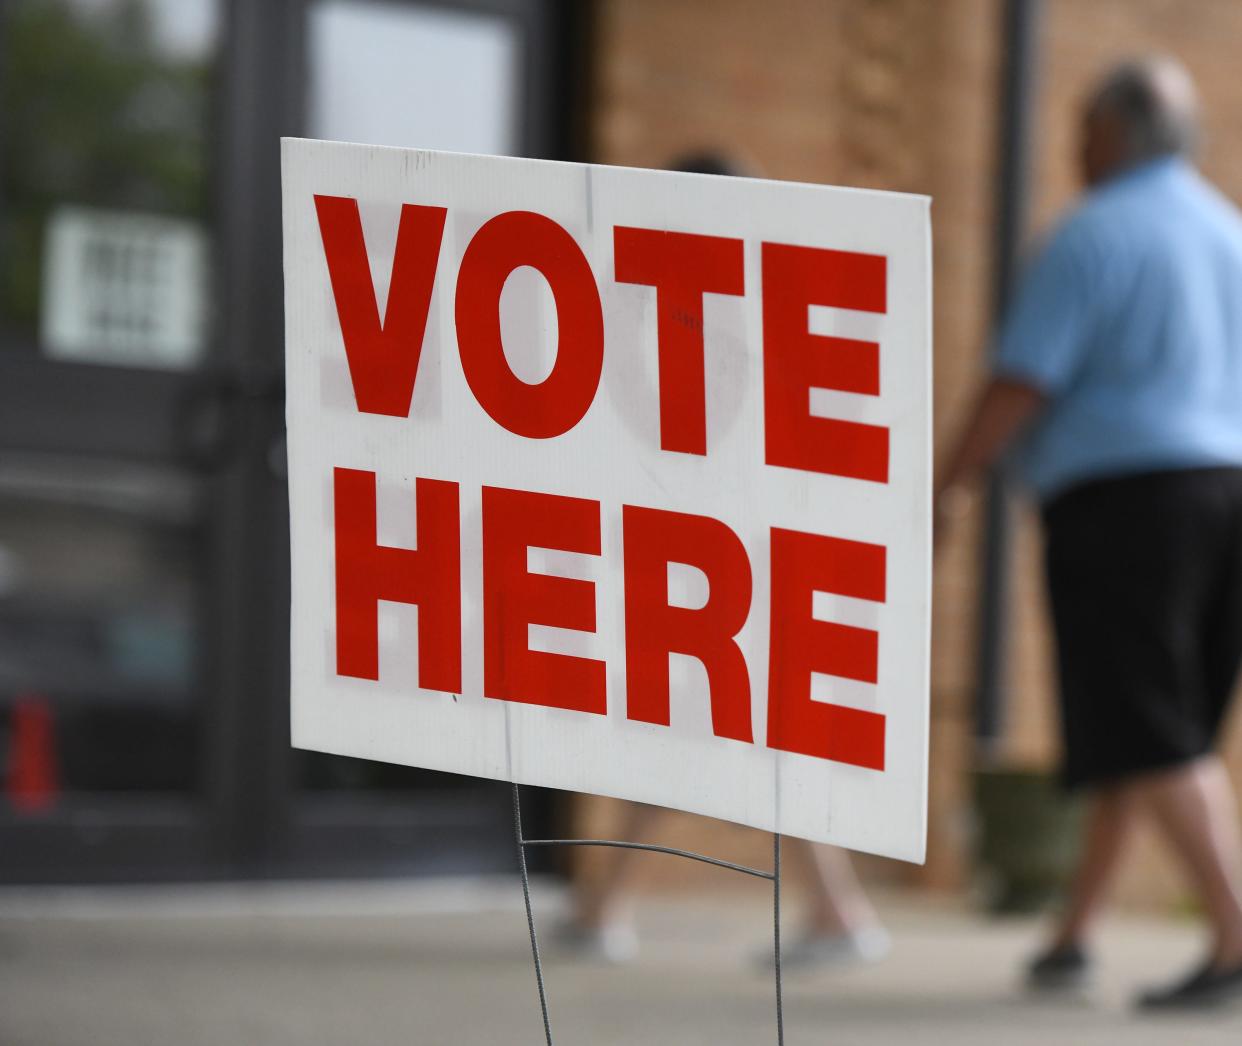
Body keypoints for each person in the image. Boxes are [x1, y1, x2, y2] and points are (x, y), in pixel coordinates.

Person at [938, 55, 1242, 1010]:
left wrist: (947, 484)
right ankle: (1072, 935)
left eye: (1080, 127)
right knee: (1156, 726)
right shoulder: (1229, 232)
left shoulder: (1090, 237)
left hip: (1129, 507)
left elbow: (1021, 379)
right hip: (1229, 494)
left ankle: (1237, 938)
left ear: (1113, 133)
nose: (1071, 146)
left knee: (1149, 727)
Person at [557, 150, 889, 971]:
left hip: (713, 546)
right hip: (741, 544)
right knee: (716, 725)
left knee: (699, 722)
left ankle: (612, 909)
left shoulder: (694, 304)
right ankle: (827, 911)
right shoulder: (756, 294)